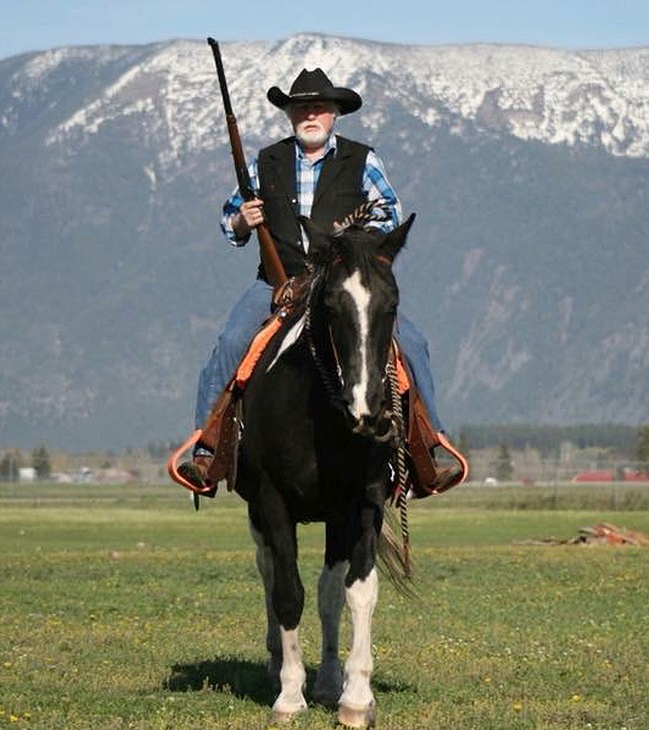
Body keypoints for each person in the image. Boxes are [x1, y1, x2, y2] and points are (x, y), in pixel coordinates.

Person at [180, 67, 449, 493]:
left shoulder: (362, 159)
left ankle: (428, 448)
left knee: (412, 344)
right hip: (277, 283)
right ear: (290, 114)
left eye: (319, 108)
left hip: (343, 282)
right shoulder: (265, 161)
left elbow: (390, 212)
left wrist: (355, 235)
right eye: (301, 107)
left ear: (334, 115)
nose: (310, 115)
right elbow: (228, 222)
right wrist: (243, 220)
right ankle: (207, 451)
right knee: (232, 342)